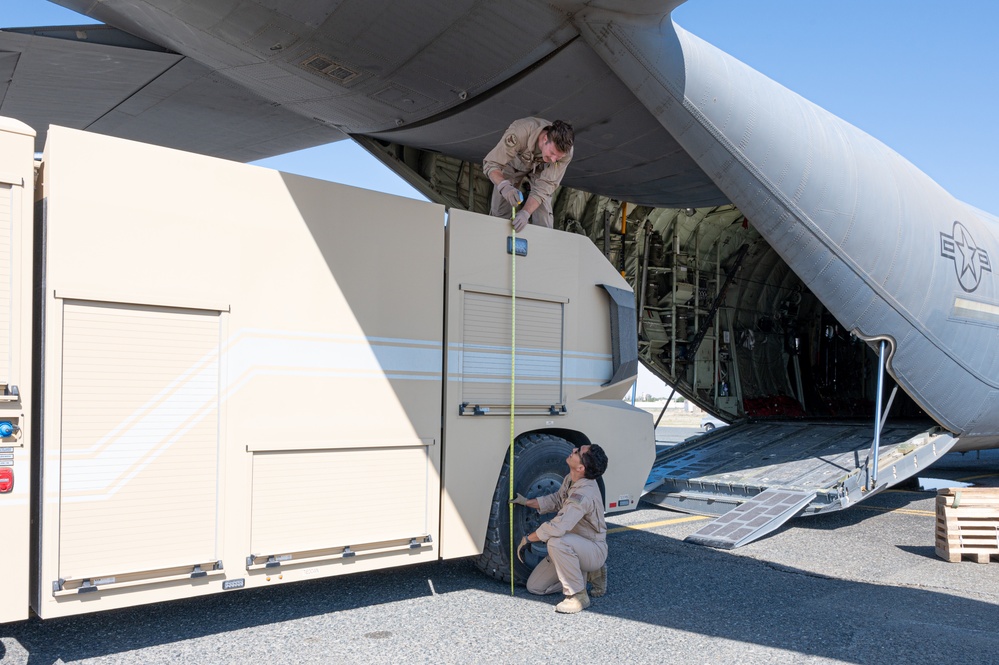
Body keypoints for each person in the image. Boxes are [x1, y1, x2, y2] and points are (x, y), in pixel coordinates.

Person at [511, 443, 608, 614]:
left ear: (581, 467)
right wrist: (526, 502)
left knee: (556, 542)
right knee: (535, 587)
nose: (573, 450)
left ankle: (578, 595)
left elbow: (558, 527)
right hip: (575, 545)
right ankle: (584, 576)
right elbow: (557, 500)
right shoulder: (571, 479)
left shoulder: (583, 494)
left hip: (592, 548)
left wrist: (528, 538)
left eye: (578, 452)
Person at [482, 118, 574, 232]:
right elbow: (492, 163)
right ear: (545, 139)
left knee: (544, 218)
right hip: (514, 165)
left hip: (541, 170)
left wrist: (526, 213)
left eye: (558, 158)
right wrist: (504, 186)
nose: (554, 160)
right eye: (552, 153)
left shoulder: (566, 153)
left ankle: (541, 246)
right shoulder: (520, 132)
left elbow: (546, 186)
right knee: (500, 212)